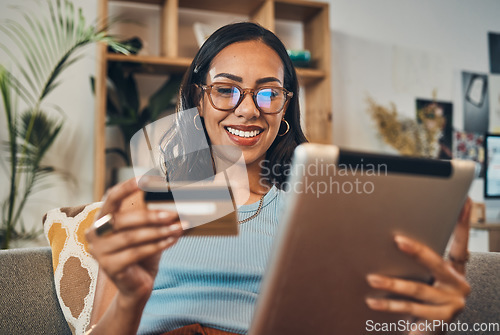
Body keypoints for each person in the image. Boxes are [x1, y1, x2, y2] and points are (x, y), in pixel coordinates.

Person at [85, 22, 472, 335]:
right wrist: (130, 300)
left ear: (286, 106)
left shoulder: (316, 211)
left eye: (268, 94)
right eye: (226, 90)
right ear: (199, 100)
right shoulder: (140, 202)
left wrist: (423, 329)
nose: (249, 109)